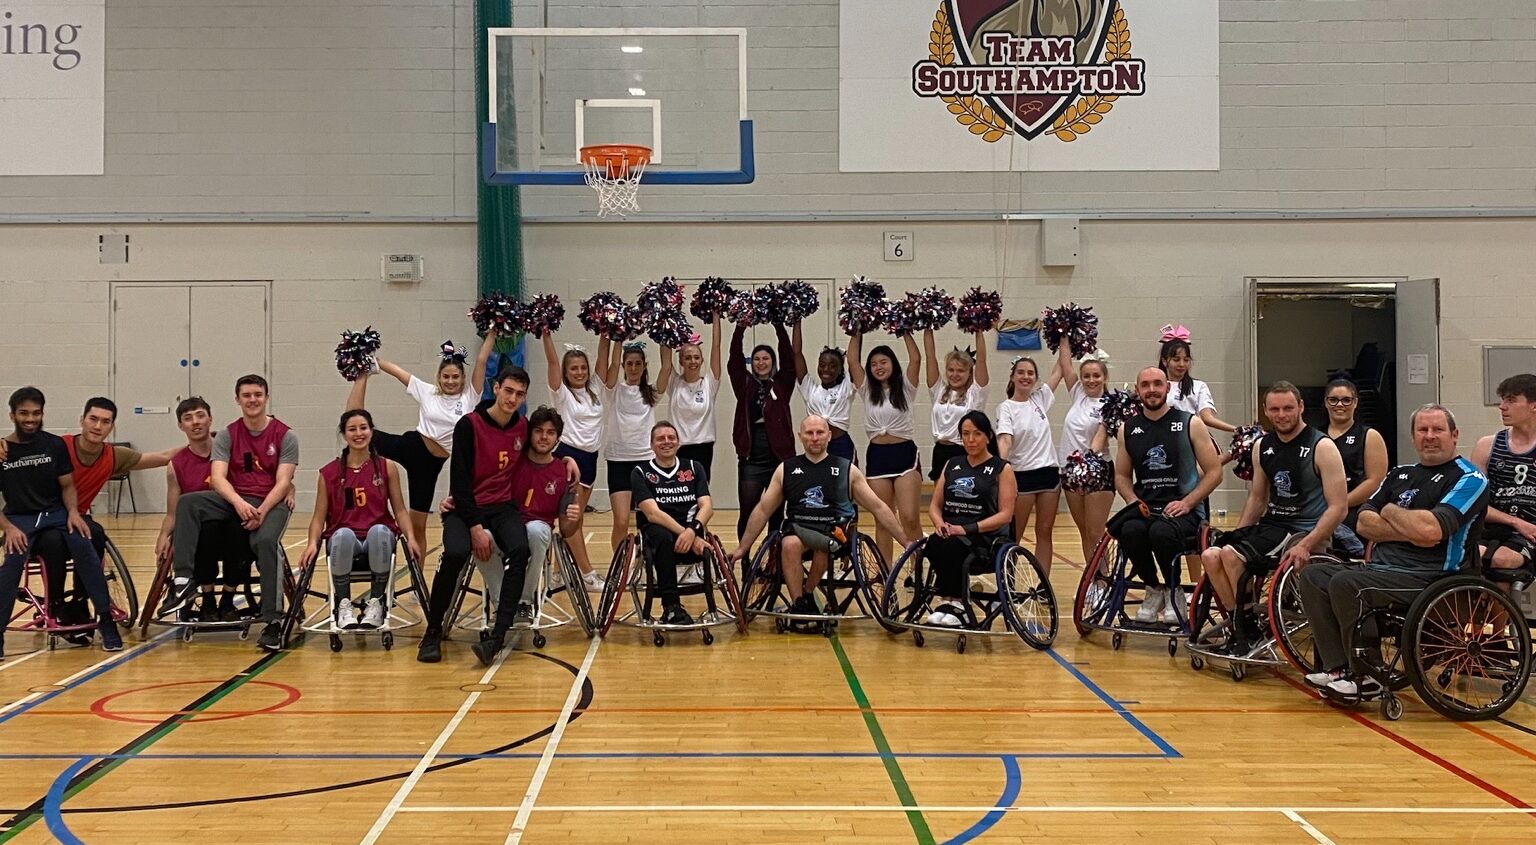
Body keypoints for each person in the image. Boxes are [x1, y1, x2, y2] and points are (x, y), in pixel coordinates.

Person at [1298, 404, 1489, 697]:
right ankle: (1338, 668)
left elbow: (1431, 532)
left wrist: (1389, 510)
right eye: (1422, 430)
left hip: (1434, 576)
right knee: (1313, 575)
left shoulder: (1469, 479)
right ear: (1413, 437)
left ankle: (1368, 674)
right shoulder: (1400, 473)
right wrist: (1411, 527)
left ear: (1454, 435)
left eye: (1437, 430)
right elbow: (1363, 523)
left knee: (1347, 583)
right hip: (1383, 569)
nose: (1429, 436)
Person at [1200, 382, 1348, 655]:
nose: (1282, 415)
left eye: (1288, 408)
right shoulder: (1262, 446)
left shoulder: (1322, 446)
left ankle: (1246, 628)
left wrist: (1308, 543)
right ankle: (1242, 624)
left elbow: (1339, 507)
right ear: (1266, 412)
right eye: (1275, 409)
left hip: (1303, 530)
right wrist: (1240, 534)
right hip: (1272, 526)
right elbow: (1257, 499)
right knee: (1212, 555)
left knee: (1232, 556)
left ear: (1301, 407)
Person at [730, 415, 910, 627]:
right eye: (809, 433)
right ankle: (799, 604)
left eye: (819, 433)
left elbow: (879, 508)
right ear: (800, 437)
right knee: (789, 543)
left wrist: (905, 542)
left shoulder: (846, 469)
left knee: (824, 546)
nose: (814, 438)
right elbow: (762, 510)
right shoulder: (786, 469)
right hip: (798, 530)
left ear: (829, 436)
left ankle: (807, 596)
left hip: (833, 533)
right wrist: (743, 548)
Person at [162, 375, 298, 652]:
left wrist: (260, 510)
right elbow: (218, 477)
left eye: (257, 394)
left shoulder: (286, 435)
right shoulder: (227, 434)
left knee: (264, 542)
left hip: (271, 502)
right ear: (237, 400)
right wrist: (239, 504)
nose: (252, 400)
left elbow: (283, 482)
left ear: (266, 397)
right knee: (188, 503)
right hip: (238, 498)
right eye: (246, 395)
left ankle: (273, 621)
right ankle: (183, 581)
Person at [417, 366, 534, 664]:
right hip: (466, 508)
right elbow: (459, 482)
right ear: (496, 389)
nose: (512, 398)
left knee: (520, 549)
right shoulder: (469, 424)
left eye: (519, 394)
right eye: (508, 391)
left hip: (502, 507)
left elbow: (545, 451)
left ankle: (499, 634)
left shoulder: (523, 426)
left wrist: (569, 461)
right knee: (455, 554)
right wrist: (475, 527)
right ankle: (432, 630)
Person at [344, 332, 496, 555]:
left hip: (430, 466)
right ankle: (362, 378)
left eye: (455, 377)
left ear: (463, 379)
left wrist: (492, 331)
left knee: (417, 528)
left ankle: (418, 586)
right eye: (446, 376)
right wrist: (372, 361)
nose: (451, 381)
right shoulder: (428, 391)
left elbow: (482, 360)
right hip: (411, 445)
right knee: (356, 426)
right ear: (439, 377)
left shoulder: (470, 399)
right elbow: (399, 374)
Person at [0, 387, 123, 658]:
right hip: (19, 520)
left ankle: (105, 620)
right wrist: (7, 527)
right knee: (10, 567)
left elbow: (67, 485)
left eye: (36, 413)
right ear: (12, 415)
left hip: (57, 514)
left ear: (43, 414)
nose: (30, 418)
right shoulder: (3, 450)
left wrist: (74, 513)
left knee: (86, 549)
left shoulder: (54, 445)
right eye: (24, 413)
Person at [1107, 367, 1224, 624]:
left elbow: (1215, 472)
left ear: (1167, 388)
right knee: (1130, 531)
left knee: (1161, 532)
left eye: (1157, 384)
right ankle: (1153, 589)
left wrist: (1188, 502)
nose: (1152, 389)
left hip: (1185, 510)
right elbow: (1122, 476)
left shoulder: (1189, 422)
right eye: (1146, 385)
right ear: (1137, 391)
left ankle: (1175, 591)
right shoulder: (1128, 429)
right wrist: (1131, 500)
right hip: (1146, 508)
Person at [299, 410, 421, 630]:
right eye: (352, 429)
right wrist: (311, 544)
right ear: (344, 435)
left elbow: (400, 510)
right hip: (346, 541)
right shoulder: (329, 473)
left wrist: (411, 538)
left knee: (379, 531)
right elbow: (318, 518)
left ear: (371, 431)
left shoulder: (387, 467)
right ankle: (343, 604)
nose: (358, 433)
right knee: (343, 534)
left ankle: (377, 602)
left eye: (363, 428)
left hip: (377, 539)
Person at [154, 397, 255, 623]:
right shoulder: (176, 465)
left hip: (235, 522)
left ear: (210, 419)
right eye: (188, 419)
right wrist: (163, 535)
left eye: (200, 415)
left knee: (236, 529)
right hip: (202, 533)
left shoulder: (233, 449)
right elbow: (173, 512)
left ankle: (228, 600)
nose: (195, 422)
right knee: (205, 529)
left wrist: (289, 487)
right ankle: (207, 599)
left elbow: (263, 477)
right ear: (181, 426)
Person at [924, 411, 1016, 626]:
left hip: (984, 536)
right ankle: (947, 600)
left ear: (988, 437)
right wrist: (939, 524)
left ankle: (957, 604)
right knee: (936, 543)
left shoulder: (1002, 468)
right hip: (951, 531)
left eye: (977, 434)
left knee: (954, 545)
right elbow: (935, 505)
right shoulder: (952, 464)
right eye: (965, 434)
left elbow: (1006, 515)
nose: (971, 439)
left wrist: (967, 529)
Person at [504, 406, 583, 636]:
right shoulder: (513, 461)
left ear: (557, 438)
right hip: (506, 526)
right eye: (538, 431)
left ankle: (525, 602)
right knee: (483, 537)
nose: (544, 437)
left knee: (536, 532)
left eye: (550, 432)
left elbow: (567, 530)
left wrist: (574, 519)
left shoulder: (563, 472)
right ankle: (502, 601)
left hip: (537, 530)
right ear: (530, 434)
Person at [848, 331, 923, 565]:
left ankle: (917, 569)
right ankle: (885, 572)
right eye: (873, 364)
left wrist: (905, 330)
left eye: (883, 362)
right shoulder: (867, 390)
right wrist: (856, 329)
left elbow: (916, 359)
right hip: (878, 457)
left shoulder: (907, 388)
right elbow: (851, 360)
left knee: (910, 517)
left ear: (893, 364)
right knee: (883, 519)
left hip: (905, 455)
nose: (878, 367)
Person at [630, 421, 715, 626]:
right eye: (660, 438)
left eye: (671, 438)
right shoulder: (640, 472)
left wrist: (693, 531)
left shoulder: (694, 467)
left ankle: (711, 606)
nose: (666, 442)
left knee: (693, 537)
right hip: (658, 532)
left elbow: (707, 507)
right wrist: (685, 534)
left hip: (689, 530)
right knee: (662, 536)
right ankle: (671, 606)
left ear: (678, 443)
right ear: (651, 445)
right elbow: (652, 513)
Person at [541, 331, 606, 592]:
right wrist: (545, 335)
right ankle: (587, 574)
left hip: (590, 459)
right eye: (573, 368)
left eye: (582, 368)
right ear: (566, 372)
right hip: (570, 457)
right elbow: (552, 364)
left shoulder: (596, 389)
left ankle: (558, 574)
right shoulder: (562, 395)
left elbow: (604, 357)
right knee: (572, 520)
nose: (579, 372)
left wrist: (608, 330)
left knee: (575, 521)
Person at [995, 347, 1069, 575]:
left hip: (1048, 475)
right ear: (1012, 376)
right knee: (1014, 534)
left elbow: (1060, 369)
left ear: (1036, 378)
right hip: (1021, 477)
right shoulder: (1006, 407)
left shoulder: (1040, 400)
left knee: (1045, 531)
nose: (1026, 376)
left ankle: (1042, 585)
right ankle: (1006, 586)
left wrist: (1065, 337)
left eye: (1030, 373)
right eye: (1021, 372)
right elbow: (1005, 441)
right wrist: (1000, 470)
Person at [729, 320, 795, 540]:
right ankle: (745, 559)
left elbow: (788, 356)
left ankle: (773, 564)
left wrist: (779, 325)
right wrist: (740, 328)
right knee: (748, 511)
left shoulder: (783, 383)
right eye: (756, 359)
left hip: (778, 455)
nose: (761, 362)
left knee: (776, 513)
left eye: (766, 358)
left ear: (772, 361)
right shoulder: (744, 383)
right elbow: (734, 361)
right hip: (752, 456)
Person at [1470, 373, 1536, 585]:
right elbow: (1474, 502)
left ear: (1533, 405)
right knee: (1470, 555)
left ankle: (1504, 617)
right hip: (1494, 527)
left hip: (1531, 533)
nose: (1502, 406)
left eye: (1511, 400)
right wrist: (1514, 521)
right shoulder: (1487, 446)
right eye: (1502, 399)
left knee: (1503, 559)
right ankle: (1481, 616)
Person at [597, 340, 658, 554]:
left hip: (646, 462)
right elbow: (611, 365)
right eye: (629, 364)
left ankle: (650, 563)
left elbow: (668, 367)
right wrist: (617, 338)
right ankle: (621, 565)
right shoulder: (614, 391)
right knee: (622, 521)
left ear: (644, 366)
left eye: (638, 364)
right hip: (618, 461)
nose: (633, 368)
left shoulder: (652, 393)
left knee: (649, 520)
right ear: (624, 366)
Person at [1323, 378, 1388, 557]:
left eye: (1346, 400)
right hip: (1320, 506)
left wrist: (1340, 504)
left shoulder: (1369, 436)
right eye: (1333, 400)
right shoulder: (1316, 436)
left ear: (1356, 402)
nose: (1339, 405)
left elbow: (1375, 482)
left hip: (1354, 508)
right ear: (1326, 402)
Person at [1061, 350, 1115, 565]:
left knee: (1096, 532)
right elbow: (1065, 363)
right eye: (1086, 376)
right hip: (1069, 472)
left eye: (1096, 376)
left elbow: (1100, 440)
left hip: (1097, 470)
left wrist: (1090, 459)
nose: (1091, 380)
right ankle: (1094, 583)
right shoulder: (1078, 394)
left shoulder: (1110, 404)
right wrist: (1064, 330)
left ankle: (1105, 584)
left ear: (1104, 377)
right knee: (1084, 531)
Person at [656, 314, 722, 477]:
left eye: (696, 357)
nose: (692, 361)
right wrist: (666, 314)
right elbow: (665, 359)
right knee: (678, 492)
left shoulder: (709, 384)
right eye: (687, 358)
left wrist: (716, 316)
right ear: (681, 362)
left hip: (703, 448)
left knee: (700, 493)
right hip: (678, 448)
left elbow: (716, 346)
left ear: (701, 360)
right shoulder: (674, 383)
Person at [923, 326, 991, 482]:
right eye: (951, 370)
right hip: (940, 451)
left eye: (960, 371)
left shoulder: (975, 394)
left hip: (964, 451)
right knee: (941, 500)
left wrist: (978, 326)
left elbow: (981, 359)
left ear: (969, 373)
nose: (955, 374)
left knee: (963, 499)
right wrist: (928, 325)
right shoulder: (939, 390)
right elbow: (930, 356)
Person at [1157, 325, 1237, 434]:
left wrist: (1237, 429)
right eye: (1176, 360)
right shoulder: (1155, 387)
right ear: (1164, 361)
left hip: (1189, 438)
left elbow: (1207, 418)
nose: (1182, 364)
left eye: (1186, 360)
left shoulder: (1198, 386)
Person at [793, 324, 857, 462]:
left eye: (833, 366)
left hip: (841, 446)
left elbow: (853, 360)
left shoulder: (846, 388)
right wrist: (796, 320)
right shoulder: (809, 389)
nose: (826, 369)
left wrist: (856, 324)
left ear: (840, 370)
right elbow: (796, 353)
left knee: (845, 483)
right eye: (822, 365)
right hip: (816, 446)